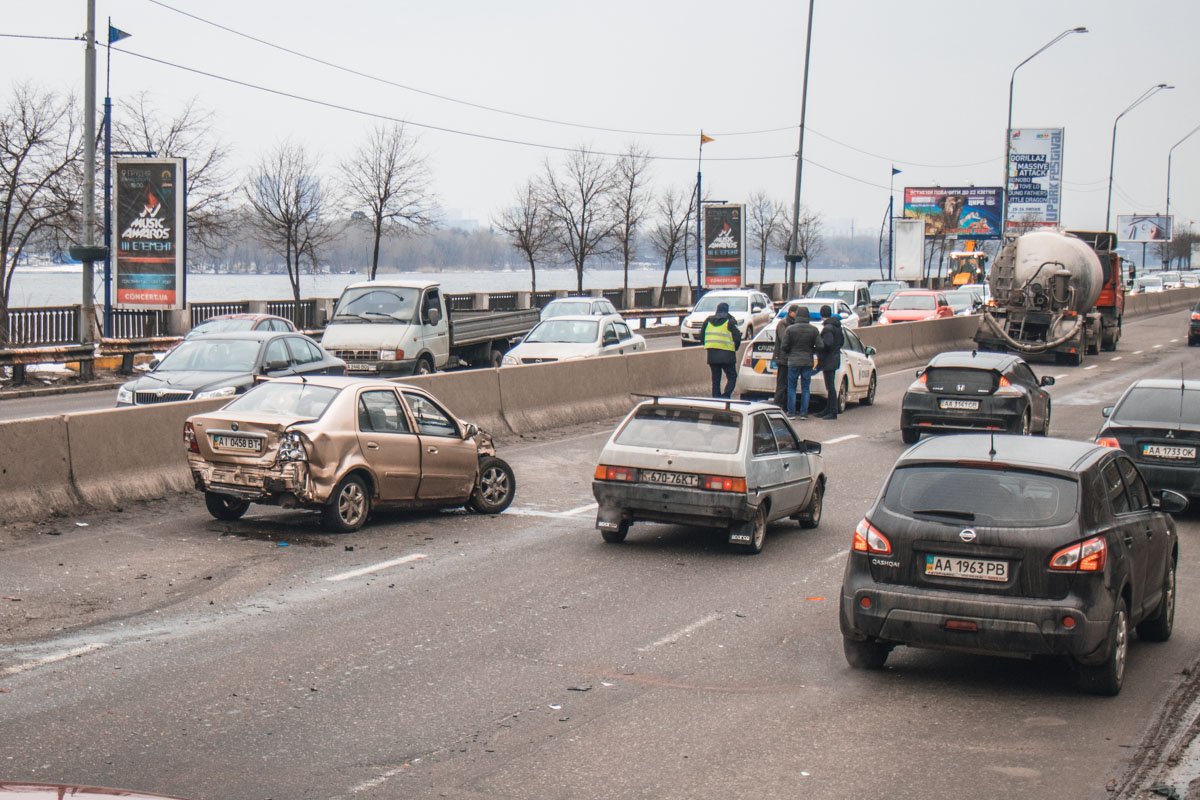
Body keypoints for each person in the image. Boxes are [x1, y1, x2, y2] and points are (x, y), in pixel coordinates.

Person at [779, 306, 818, 419]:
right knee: (805, 387)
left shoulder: (790, 329)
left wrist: (791, 351)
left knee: (792, 387)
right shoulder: (813, 329)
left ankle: (791, 412)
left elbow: (784, 346)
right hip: (807, 362)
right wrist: (811, 350)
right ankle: (803, 413)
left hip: (793, 361)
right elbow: (820, 345)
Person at [701, 301, 743, 398]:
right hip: (727, 355)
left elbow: (702, 337)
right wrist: (734, 348)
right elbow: (737, 337)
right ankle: (726, 396)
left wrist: (709, 347)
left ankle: (716, 398)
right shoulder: (730, 321)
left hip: (712, 355)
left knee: (716, 379)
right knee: (732, 377)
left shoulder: (708, 321)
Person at [816, 304, 845, 420]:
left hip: (828, 360)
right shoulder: (837, 326)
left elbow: (827, 343)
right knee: (830, 386)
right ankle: (828, 409)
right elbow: (841, 341)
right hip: (835, 358)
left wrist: (818, 345)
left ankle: (832, 411)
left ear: (821, 314)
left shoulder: (828, 328)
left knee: (830, 387)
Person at [771, 305, 798, 407]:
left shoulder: (794, 323)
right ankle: (777, 404)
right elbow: (783, 339)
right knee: (782, 383)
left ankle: (786, 404)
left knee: (788, 384)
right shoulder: (783, 323)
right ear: (791, 312)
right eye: (796, 313)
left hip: (791, 358)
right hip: (783, 357)